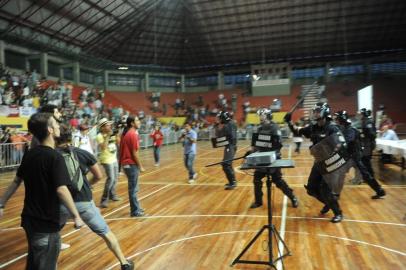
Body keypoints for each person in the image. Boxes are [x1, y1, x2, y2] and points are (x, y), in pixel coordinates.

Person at [0, 113, 84, 270]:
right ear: (50, 130)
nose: (59, 126)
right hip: (46, 224)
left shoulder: (29, 155)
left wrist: (2, 203)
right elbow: (61, 189)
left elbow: (16, 181)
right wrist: (76, 216)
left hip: (29, 220)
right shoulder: (55, 157)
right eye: (55, 124)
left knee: (34, 262)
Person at [56, 125, 134, 270]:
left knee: (53, 235)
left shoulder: (50, 156)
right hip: (83, 201)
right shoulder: (82, 153)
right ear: (71, 138)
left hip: (61, 204)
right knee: (106, 233)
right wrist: (88, 184)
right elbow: (98, 175)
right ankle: (124, 263)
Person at [284, 102, 348, 223]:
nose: (315, 113)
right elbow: (297, 131)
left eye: (318, 111)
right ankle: (328, 203)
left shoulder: (332, 128)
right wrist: (289, 122)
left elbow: (342, 145)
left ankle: (338, 213)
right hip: (319, 162)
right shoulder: (313, 127)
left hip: (331, 164)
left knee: (325, 190)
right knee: (311, 189)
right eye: (315, 111)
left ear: (325, 112)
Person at [249, 109, 299, 208]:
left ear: (267, 116)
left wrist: (268, 150)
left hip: (273, 158)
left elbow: (278, 144)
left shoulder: (274, 127)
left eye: (262, 115)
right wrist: (252, 151)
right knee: (256, 179)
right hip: (261, 158)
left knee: (278, 181)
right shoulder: (259, 128)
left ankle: (292, 197)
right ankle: (258, 201)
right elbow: (255, 143)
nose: (260, 117)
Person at [334, 110, 386, 200]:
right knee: (339, 173)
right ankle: (336, 194)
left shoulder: (350, 129)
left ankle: (379, 191)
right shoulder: (342, 127)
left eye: (337, 118)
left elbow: (347, 141)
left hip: (355, 156)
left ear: (342, 119)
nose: (336, 120)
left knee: (366, 175)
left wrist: (337, 144)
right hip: (349, 155)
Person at [119, 116, 146, 217]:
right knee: (133, 189)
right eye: (137, 120)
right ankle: (134, 211)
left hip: (127, 164)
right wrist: (140, 166)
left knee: (134, 188)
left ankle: (136, 208)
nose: (139, 122)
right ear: (132, 123)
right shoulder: (132, 134)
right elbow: (134, 153)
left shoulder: (127, 133)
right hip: (130, 164)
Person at [96, 118, 121, 208]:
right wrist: (107, 136)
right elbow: (103, 147)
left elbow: (119, 142)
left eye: (109, 125)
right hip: (106, 159)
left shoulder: (112, 133)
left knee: (115, 178)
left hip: (114, 158)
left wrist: (117, 134)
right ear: (102, 127)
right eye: (107, 125)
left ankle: (112, 195)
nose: (109, 126)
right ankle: (104, 200)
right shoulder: (99, 136)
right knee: (110, 179)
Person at [215, 111, 238, 190]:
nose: (219, 119)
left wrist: (222, 139)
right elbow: (219, 135)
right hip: (228, 146)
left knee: (226, 164)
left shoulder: (231, 124)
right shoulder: (227, 125)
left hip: (231, 146)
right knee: (228, 164)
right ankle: (232, 181)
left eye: (220, 118)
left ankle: (233, 182)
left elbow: (232, 137)